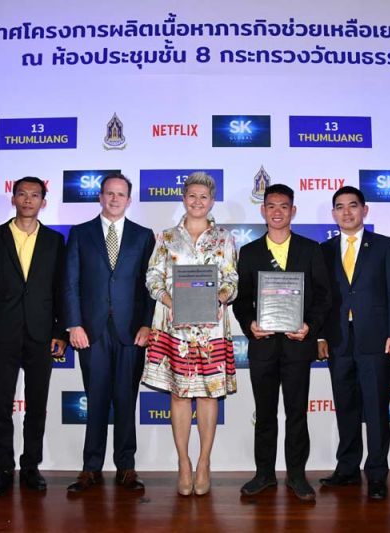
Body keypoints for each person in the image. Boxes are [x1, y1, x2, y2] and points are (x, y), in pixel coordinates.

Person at [233, 184, 332, 502]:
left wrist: (310, 327)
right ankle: (264, 474)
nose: (277, 212)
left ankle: (297, 475)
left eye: (284, 206)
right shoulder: (249, 252)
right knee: (264, 414)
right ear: (263, 210)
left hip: (297, 345)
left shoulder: (310, 249)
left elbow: (323, 297)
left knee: (296, 413)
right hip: (262, 346)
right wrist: (249, 324)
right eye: (271, 206)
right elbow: (241, 300)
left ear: (293, 211)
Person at [142, 172, 238, 496]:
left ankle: (204, 462)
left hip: (211, 329)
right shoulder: (167, 237)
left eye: (204, 197)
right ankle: (183, 462)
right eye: (192, 195)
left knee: (209, 394)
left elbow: (232, 280)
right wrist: (172, 301)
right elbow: (152, 277)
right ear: (184, 198)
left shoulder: (224, 238)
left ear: (212, 202)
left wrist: (219, 298)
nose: (198, 201)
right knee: (180, 395)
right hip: (175, 328)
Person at [0, 176, 66, 497]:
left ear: (43, 202)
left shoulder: (55, 241)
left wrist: (60, 332)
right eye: (22, 194)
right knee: (1, 407)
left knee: (37, 407)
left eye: (35, 195)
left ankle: (30, 467)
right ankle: (2, 468)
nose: (28, 200)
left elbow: (60, 291)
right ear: (13, 199)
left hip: (41, 335)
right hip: (1, 335)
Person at [63, 173, 156, 492]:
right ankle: (91, 468)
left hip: (131, 332)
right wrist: (74, 324)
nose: (115, 199)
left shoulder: (143, 236)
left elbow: (150, 285)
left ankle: (126, 467)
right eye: (109, 193)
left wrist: (147, 323)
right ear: (100, 197)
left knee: (127, 399)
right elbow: (70, 282)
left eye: (121, 194)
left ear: (129, 200)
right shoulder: (80, 233)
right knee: (96, 399)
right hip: (91, 331)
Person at [317, 186, 390, 500]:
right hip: (338, 339)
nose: (347, 212)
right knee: (346, 406)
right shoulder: (324, 250)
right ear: (333, 214)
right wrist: (321, 335)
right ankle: (348, 469)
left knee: (376, 409)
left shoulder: (384, 245)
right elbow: (320, 298)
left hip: (377, 339)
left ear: (364, 210)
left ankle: (377, 474)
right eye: (340, 207)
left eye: (353, 205)